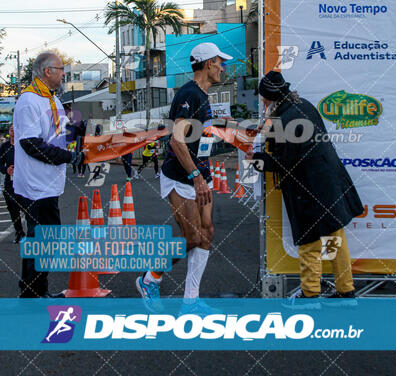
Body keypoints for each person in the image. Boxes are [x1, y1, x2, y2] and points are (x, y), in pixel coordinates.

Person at [247, 71, 364, 304]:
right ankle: (346, 291)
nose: (262, 103)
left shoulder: (284, 120)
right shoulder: (303, 105)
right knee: (334, 235)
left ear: (270, 98)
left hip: (307, 188)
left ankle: (310, 295)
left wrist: (255, 158)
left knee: (309, 241)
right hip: (329, 180)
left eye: (263, 99)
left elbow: (284, 162)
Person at [136, 42, 232, 313]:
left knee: (207, 232)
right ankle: (150, 278)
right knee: (190, 237)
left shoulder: (203, 95)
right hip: (181, 176)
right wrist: (195, 176)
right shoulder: (188, 95)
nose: (222, 67)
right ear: (208, 63)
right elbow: (177, 142)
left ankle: (190, 301)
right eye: (219, 62)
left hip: (200, 173)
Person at [13, 52, 82, 298]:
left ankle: (34, 291)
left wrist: (79, 135)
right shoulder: (29, 101)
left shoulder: (52, 100)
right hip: (35, 184)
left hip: (48, 183)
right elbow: (30, 143)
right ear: (47, 72)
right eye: (61, 69)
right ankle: (32, 293)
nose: (64, 73)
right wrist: (68, 157)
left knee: (44, 239)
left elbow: (60, 136)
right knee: (43, 239)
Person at [0, 125, 25, 243]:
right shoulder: (4, 147)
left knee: (25, 206)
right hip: (10, 181)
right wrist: (6, 169)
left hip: (24, 180)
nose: (13, 132)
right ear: (9, 132)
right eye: (11, 130)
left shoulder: (22, 145)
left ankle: (32, 231)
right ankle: (19, 232)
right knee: (12, 207)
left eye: (15, 130)